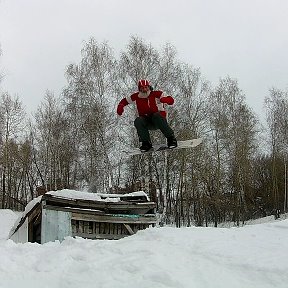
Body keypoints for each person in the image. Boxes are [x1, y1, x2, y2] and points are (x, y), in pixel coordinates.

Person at [117, 79, 177, 152]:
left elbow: (171, 100)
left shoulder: (156, 94)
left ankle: (171, 139)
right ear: (139, 89)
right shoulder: (136, 96)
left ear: (149, 87)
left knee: (156, 115)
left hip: (159, 121)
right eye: (142, 88)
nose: (144, 89)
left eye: (146, 87)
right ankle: (146, 143)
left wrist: (166, 99)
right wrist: (120, 106)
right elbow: (124, 101)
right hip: (147, 122)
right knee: (138, 120)